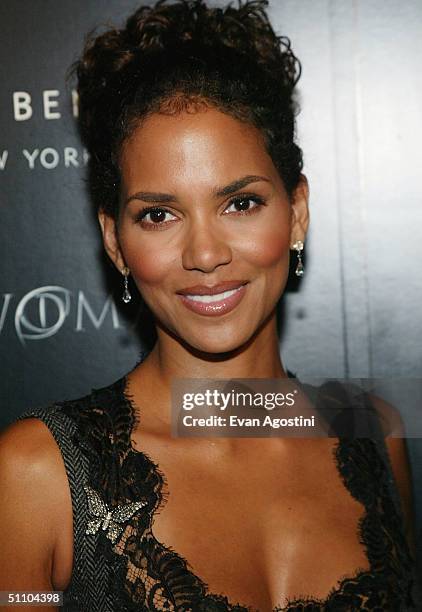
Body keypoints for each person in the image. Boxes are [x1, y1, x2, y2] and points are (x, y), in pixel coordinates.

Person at [0, 0, 419, 610]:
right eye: (159, 214)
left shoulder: (376, 438)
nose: (204, 253)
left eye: (240, 203)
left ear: (297, 211)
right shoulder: (33, 474)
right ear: (116, 242)